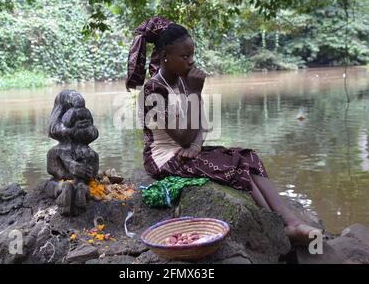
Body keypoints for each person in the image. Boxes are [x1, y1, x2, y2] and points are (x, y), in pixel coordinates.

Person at [126, 16, 320, 245]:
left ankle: (290, 222)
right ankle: (279, 225)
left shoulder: (181, 80)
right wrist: (195, 95)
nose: (191, 62)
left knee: (248, 156)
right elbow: (183, 137)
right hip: (162, 158)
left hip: (185, 150)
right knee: (234, 167)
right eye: (185, 56)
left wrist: (197, 146)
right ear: (166, 57)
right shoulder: (153, 91)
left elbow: (201, 125)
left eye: (192, 55)